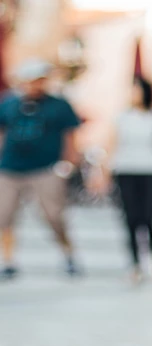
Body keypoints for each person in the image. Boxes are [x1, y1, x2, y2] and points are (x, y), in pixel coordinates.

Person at [0, 59, 82, 280]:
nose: (36, 85)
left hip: (45, 168)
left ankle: (68, 254)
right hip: (10, 168)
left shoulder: (59, 105)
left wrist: (68, 163)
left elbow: (70, 136)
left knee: (53, 215)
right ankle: (8, 261)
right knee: (4, 215)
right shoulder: (8, 104)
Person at [102, 76, 152, 283]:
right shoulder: (121, 118)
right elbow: (112, 143)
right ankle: (135, 263)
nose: (134, 94)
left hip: (151, 169)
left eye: (137, 90)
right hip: (125, 169)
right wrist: (104, 170)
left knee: (148, 216)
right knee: (130, 217)